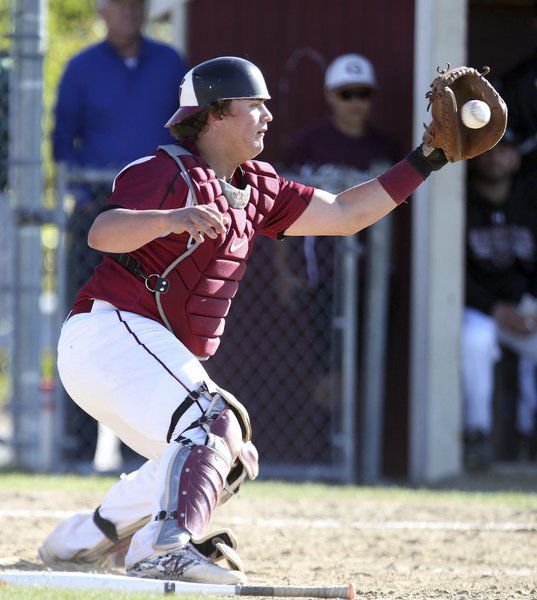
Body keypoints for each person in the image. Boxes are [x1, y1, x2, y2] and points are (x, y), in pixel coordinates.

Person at [38, 56, 449, 583]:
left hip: (141, 349)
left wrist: (427, 158)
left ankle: (80, 541)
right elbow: (102, 230)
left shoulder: (255, 186)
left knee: (228, 455)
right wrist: (170, 218)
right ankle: (164, 545)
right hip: (105, 333)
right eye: (253, 105)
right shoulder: (167, 170)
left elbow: (346, 216)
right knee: (213, 421)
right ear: (212, 115)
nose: (267, 116)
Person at [53, 0, 187, 469]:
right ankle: (75, 450)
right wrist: (84, 195)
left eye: (137, 4)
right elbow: (61, 143)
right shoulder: (80, 68)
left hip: (160, 223)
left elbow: (189, 133)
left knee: (156, 330)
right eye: (119, 4)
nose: (128, 12)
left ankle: (147, 453)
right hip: (98, 218)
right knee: (84, 325)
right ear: (100, 9)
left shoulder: (171, 63)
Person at [280, 53, 397, 407]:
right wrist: (284, 271)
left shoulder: (383, 148)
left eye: (363, 93)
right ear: (330, 96)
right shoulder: (309, 143)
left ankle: (356, 454)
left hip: (369, 272)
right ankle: (327, 452)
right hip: (323, 272)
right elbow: (279, 210)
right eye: (347, 94)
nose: (356, 103)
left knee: (364, 366)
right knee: (327, 367)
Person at [462, 131, 537, 470]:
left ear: (516, 158)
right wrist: (494, 308)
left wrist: (529, 304)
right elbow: (453, 273)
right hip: (479, 308)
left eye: (504, 150)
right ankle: (476, 434)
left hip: (523, 304)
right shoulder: (460, 202)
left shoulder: (529, 201)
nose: (496, 158)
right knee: (474, 342)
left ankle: (528, 435)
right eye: (489, 151)